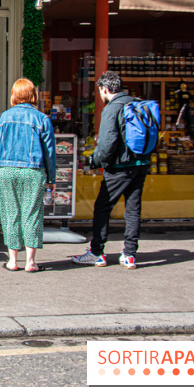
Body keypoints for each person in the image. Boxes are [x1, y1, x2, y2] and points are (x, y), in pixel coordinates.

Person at [72, 71, 150, 270]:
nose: (99, 95)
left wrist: (92, 161)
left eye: (99, 91)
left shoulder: (111, 109)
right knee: (133, 209)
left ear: (104, 89)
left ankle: (97, 252)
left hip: (118, 168)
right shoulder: (137, 104)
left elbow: (107, 145)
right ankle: (130, 254)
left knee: (102, 207)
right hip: (140, 165)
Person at [0, 78, 56, 273]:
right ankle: (31, 262)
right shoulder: (42, 119)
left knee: (11, 213)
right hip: (34, 171)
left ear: (14, 95)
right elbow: (49, 153)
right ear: (33, 95)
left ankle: (12, 260)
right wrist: (51, 178)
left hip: (7, 170)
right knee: (32, 213)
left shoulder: (3, 118)